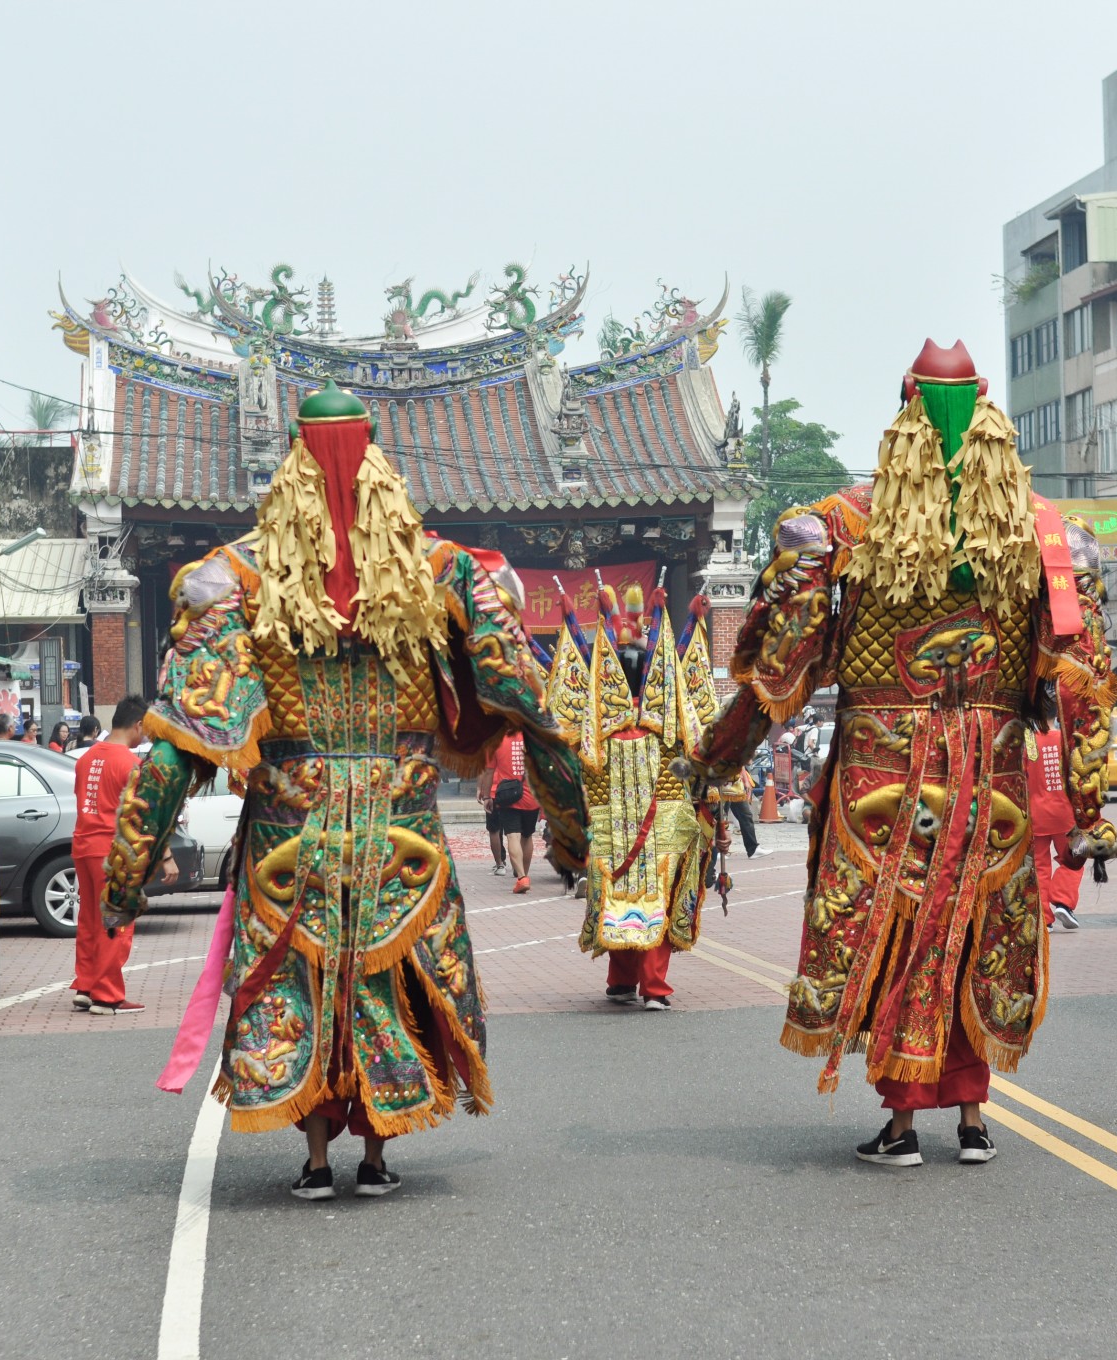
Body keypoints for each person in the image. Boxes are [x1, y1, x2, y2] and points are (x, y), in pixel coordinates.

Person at [98, 379, 587, 1201]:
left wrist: (124, 881)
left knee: (300, 983)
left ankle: (318, 1159)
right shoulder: (446, 573)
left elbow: (175, 750)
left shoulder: (234, 580)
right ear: (381, 469)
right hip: (404, 833)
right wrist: (574, 836)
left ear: (289, 465)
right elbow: (535, 712)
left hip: (290, 831)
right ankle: (376, 1153)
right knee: (383, 981)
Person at [692, 340, 1117, 1168]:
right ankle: (970, 1117)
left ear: (902, 416)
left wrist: (719, 755)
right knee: (975, 926)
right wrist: (1089, 813)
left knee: (897, 928)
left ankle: (901, 1121)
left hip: (880, 775)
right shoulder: (1049, 537)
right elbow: (1081, 685)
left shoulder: (837, 525)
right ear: (991, 418)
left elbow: (781, 671)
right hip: (988, 772)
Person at [547, 585, 718, 1013]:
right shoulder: (673, 725)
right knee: (655, 894)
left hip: (611, 827)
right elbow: (704, 762)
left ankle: (622, 981)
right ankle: (652, 986)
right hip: (659, 825)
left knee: (617, 894)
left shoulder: (593, 731)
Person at [72, 697, 170, 1017]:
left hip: (83, 846)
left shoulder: (86, 759)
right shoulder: (129, 764)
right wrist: (165, 855)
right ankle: (107, 995)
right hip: (113, 852)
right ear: (138, 724)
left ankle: (86, 985)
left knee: (90, 920)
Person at [1031, 685, 1083, 931]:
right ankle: (1062, 900)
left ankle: (1044, 919)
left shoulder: (1027, 744)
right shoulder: (1066, 742)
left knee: (1039, 868)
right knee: (1077, 855)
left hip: (1034, 815)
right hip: (1064, 816)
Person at [486, 730, 540, 893]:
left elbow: (488, 771)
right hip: (531, 796)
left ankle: (522, 877)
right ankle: (524, 873)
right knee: (527, 835)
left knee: (512, 836)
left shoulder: (495, 739)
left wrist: (488, 796)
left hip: (508, 795)